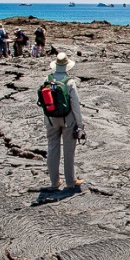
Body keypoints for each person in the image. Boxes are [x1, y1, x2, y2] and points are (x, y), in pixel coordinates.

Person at [43, 52, 84, 190]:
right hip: (68, 120)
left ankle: (54, 182)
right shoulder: (69, 82)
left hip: (51, 120)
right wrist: (80, 124)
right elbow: (75, 105)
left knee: (52, 149)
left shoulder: (47, 80)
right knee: (68, 150)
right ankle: (70, 181)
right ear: (67, 66)